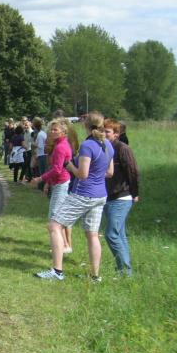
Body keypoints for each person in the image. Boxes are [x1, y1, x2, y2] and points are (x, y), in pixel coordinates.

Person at [36, 112, 114, 282]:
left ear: (85, 124)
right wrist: (95, 174)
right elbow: (110, 172)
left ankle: (57, 271)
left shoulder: (88, 145)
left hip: (84, 193)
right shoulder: (108, 144)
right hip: (101, 195)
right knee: (92, 234)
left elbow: (82, 175)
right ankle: (95, 276)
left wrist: (69, 165)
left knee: (54, 226)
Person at [30, 119, 73, 254]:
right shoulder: (60, 144)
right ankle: (65, 245)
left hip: (61, 183)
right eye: (51, 129)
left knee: (54, 218)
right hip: (58, 183)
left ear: (63, 131)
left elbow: (57, 170)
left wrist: (40, 179)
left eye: (56, 130)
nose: (53, 132)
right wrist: (48, 183)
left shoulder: (60, 147)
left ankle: (63, 246)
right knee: (58, 216)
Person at [103, 119, 140, 276]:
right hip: (108, 197)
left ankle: (124, 271)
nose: (104, 134)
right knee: (120, 234)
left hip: (122, 197)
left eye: (107, 132)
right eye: (102, 131)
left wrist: (135, 193)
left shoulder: (122, 149)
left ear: (116, 134)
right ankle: (126, 272)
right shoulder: (103, 147)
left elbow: (133, 171)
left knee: (111, 234)